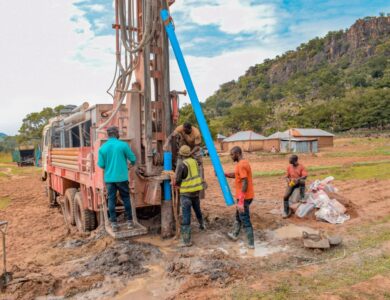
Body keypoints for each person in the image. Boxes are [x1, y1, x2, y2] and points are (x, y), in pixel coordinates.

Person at [97, 126, 137, 232]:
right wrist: (130, 165)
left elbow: (101, 164)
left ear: (108, 135)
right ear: (116, 134)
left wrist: (109, 167)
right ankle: (129, 222)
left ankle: (114, 224)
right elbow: (133, 159)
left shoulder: (102, 148)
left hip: (109, 179)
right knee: (126, 198)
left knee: (111, 200)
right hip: (122, 178)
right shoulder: (123, 145)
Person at [225, 146, 255, 249]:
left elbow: (245, 182)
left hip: (244, 197)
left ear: (237, 153)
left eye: (232, 154)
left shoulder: (241, 165)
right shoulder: (243, 163)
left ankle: (251, 244)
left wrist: (241, 201)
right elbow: (237, 175)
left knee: (245, 218)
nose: (231, 157)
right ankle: (235, 234)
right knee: (239, 216)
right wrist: (225, 174)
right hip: (246, 196)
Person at [175, 145, 205, 247]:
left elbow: (178, 180)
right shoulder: (195, 162)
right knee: (197, 210)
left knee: (186, 215)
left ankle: (186, 241)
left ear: (181, 155)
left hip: (186, 194)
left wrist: (175, 184)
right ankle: (202, 225)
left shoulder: (182, 165)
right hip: (195, 192)